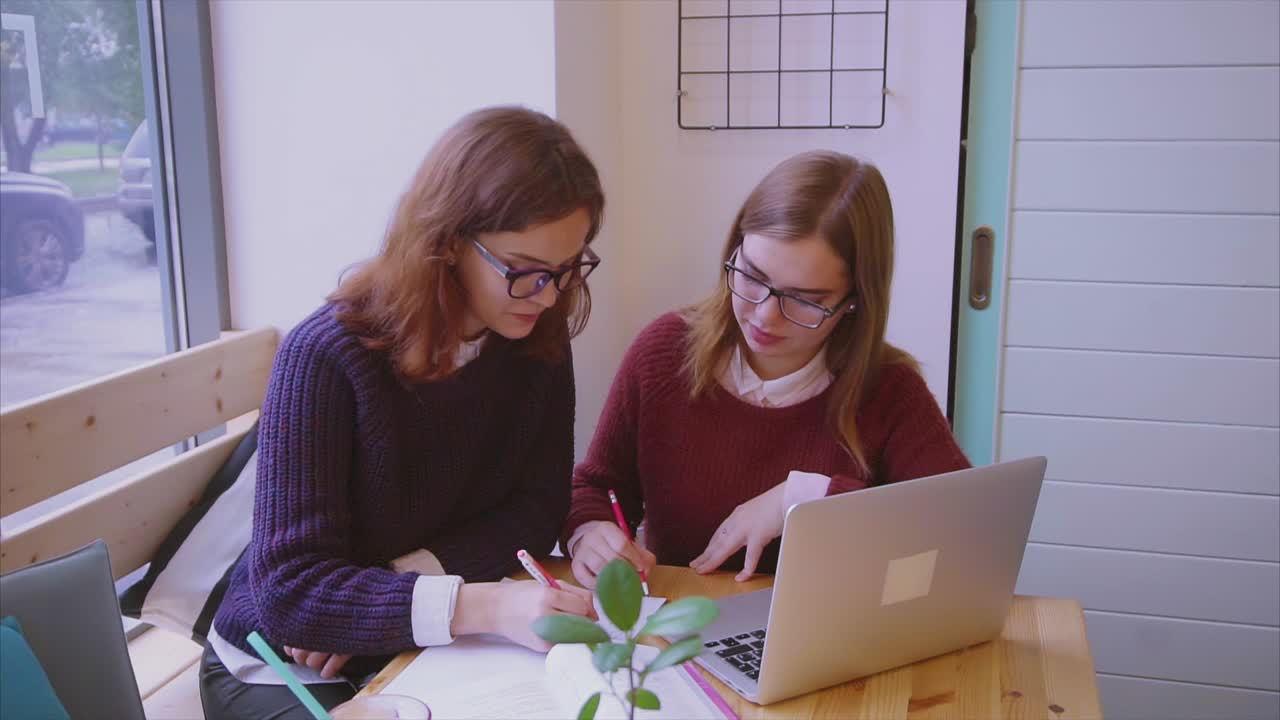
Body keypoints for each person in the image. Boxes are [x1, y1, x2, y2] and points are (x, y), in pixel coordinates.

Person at [200, 106, 604, 719]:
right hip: (278, 665)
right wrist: (481, 605)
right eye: (522, 272)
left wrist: (384, 598)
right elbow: (289, 593)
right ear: (446, 243)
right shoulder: (326, 357)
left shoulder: (538, 339)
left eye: (567, 268)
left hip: (416, 645)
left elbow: (536, 509)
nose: (548, 296)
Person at [564, 150, 970, 590]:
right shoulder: (663, 354)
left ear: (854, 303)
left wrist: (806, 498)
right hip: (683, 627)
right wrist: (589, 535)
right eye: (752, 275)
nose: (764, 315)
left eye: (804, 299)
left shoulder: (890, 391)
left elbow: (962, 532)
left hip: (829, 634)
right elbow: (594, 488)